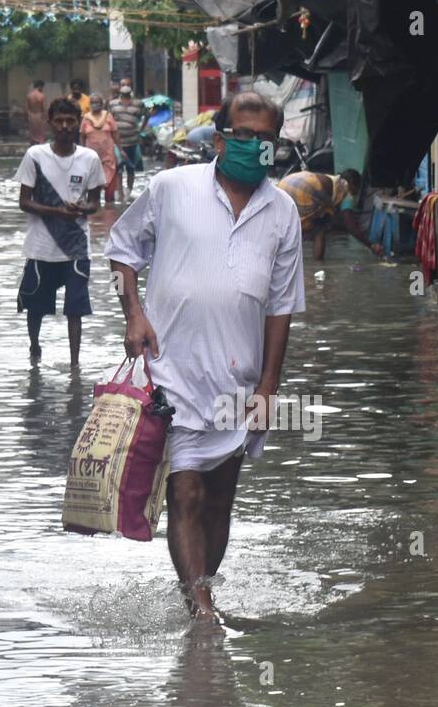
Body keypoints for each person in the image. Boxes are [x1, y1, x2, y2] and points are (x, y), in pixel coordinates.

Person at [104, 92, 305, 637]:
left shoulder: (283, 212)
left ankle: (202, 590)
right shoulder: (173, 188)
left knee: (219, 499)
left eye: (266, 141)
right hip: (175, 372)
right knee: (186, 490)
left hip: (238, 382)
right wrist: (135, 316)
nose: (255, 149)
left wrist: (269, 386)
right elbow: (123, 247)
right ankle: (202, 612)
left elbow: (282, 306)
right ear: (219, 139)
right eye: (244, 137)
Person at [15, 96, 104, 368]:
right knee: (35, 307)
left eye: (70, 121)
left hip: (76, 247)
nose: (65, 126)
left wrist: (81, 208)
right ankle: (34, 350)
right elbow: (24, 202)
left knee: (75, 310)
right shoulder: (35, 156)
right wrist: (57, 212)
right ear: (50, 123)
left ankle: (74, 365)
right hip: (41, 247)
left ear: (78, 123)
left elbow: (95, 203)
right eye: (59, 121)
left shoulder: (90, 159)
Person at [277, 168, 383, 261]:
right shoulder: (345, 189)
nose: (356, 193)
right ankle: (318, 266)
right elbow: (350, 224)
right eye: (357, 189)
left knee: (283, 227)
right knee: (319, 229)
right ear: (353, 184)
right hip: (302, 190)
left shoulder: (332, 180)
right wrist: (370, 245)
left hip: (284, 185)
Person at [80, 94, 119, 205]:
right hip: (91, 158)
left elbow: (115, 133)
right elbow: (82, 136)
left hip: (108, 156)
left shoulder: (108, 116)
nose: (95, 104)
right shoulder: (86, 118)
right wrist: (81, 152)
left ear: (102, 104)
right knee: (93, 189)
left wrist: (120, 150)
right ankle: (94, 217)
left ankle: (110, 213)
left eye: (97, 102)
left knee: (110, 189)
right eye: (92, 102)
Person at [109, 84, 146, 201]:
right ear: (120, 94)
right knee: (118, 168)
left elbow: (146, 115)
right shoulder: (113, 104)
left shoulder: (138, 104)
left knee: (131, 167)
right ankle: (120, 192)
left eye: (127, 94)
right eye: (123, 94)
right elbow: (109, 118)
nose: (125, 96)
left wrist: (141, 129)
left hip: (133, 141)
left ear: (130, 94)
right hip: (117, 142)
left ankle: (129, 191)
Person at [26, 80, 49, 145]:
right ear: (40, 86)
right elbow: (44, 108)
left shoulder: (29, 95)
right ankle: (40, 146)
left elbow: (26, 109)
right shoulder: (42, 96)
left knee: (32, 134)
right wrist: (47, 118)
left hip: (31, 116)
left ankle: (33, 147)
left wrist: (26, 118)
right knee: (40, 134)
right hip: (40, 116)